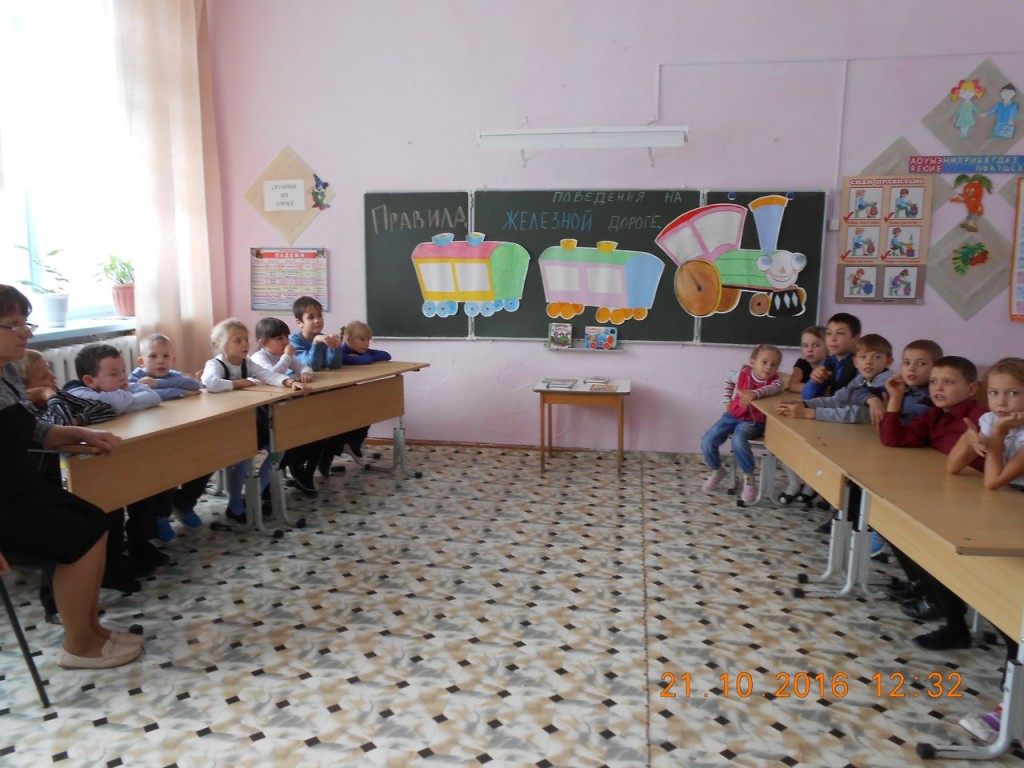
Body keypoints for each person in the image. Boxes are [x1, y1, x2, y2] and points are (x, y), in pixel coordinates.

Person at [0, 284, 143, 669]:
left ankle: (92, 629)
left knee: (96, 520)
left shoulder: (8, 372)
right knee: (77, 537)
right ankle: (78, 645)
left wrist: (82, 433)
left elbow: (33, 431)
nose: (25, 333)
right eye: (13, 325)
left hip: (22, 488)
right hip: (5, 504)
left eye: (26, 323)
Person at [881, 355, 986, 651]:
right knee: (889, 523)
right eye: (935, 382)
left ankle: (954, 625)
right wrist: (896, 398)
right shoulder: (935, 414)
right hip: (943, 493)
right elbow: (893, 439)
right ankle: (928, 592)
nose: (938, 388)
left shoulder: (980, 420)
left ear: (971, 389)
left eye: (948, 382)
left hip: (974, 503)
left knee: (933, 550)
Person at [948, 357, 1024, 743]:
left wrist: (995, 439)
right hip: (1008, 520)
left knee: (1017, 614)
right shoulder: (993, 421)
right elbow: (953, 467)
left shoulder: (1009, 429)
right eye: (995, 393)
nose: (1002, 401)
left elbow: (993, 481)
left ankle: (1009, 709)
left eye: (1013, 393)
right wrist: (971, 439)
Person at [65, 343, 171, 569]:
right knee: (111, 500)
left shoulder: (118, 388)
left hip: (124, 448)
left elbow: (152, 396)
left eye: (124, 370)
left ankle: (139, 541)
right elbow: (113, 404)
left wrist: (121, 399)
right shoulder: (75, 392)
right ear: (89, 380)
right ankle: (112, 556)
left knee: (147, 484)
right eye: (114, 374)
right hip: (94, 461)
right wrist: (125, 399)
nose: (124, 377)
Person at [201, 318, 311, 520]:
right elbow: (210, 383)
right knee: (244, 462)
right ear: (223, 345)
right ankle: (235, 505)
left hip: (250, 421)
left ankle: (255, 495)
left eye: (246, 339)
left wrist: (289, 382)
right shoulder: (215, 364)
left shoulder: (247, 363)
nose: (245, 344)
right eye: (238, 341)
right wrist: (238, 384)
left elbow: (268, 375)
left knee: (279, 448)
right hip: (228, 425)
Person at [129, 333, 208, 541]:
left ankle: (184, 504)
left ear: (172, 359)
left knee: (207, 459)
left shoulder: (172, 374)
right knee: (167, 473)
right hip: (150, 439)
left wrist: (158, 384)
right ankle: (161, 516)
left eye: (165, 356)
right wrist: (179, 392)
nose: (160, 361)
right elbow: (147, 396)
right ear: (141, 361)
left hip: (179, 431)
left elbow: (194, 385)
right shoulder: (135, 378)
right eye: (153, 356)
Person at [700, 344, 784, 503]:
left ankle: (748, 477)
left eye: (774, 365)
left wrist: (754, 393)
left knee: (738, 440)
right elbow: (729, 379)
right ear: (753, 362)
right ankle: (717, 470)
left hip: (754, 421)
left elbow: (770, 390)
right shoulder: (742, 374)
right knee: (708, 440)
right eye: (764, 362)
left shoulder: (776, 382)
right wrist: (727, 399)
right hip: (732, 415)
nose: (768, 367)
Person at [251, 316, 321, 492]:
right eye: (279, 338)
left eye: (286, 337)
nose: (285, 341)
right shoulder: (259, 357)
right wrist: (287, 356)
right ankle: (267, 487)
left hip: (282, 407)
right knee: (286, 442)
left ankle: (300, 471)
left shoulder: (282, 355)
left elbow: (304, 367)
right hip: (263, 414)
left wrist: (306, 373)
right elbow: (271, 375)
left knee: (317, 432)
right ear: (263, 342)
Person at [776, 333, 893, 425]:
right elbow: (838, 399)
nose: (868, 362)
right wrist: (804, 404)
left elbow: (857, 414)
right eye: (863, 357)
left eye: (876, 357)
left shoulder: (887, 383)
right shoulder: (860, 379)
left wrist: (808, 413)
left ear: (888, 361)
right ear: (856, 362)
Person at [776, 326, 827, 505]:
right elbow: (792, 385)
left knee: (815, 450)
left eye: (816, 345)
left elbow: (830, 393)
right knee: (783, 442)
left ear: (827, 346)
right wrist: (816, 388)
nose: (809, 350)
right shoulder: (802, 364)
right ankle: (794, 483)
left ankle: (811, 487)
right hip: (799, 412)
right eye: (805, 346)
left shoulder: (830, 366)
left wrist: (811, 389)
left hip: (819, 415)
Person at [801, 313, 861, 400]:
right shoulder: (828, 361)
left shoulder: (861, 363)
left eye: (840, 333)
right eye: (828, 333)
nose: (833, 338)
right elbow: (807, 397)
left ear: (856, 338)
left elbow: (859, 398)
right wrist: (814, 381)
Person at [289, 296, 343, 371]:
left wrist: (334, 346)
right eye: (311, 317)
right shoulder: (293, 341)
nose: (317, 320)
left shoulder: (324, 339)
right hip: (297, 377)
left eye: (319, 315)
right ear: (300, 323)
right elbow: (311, 366)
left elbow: (335, 365)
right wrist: (316, 343)